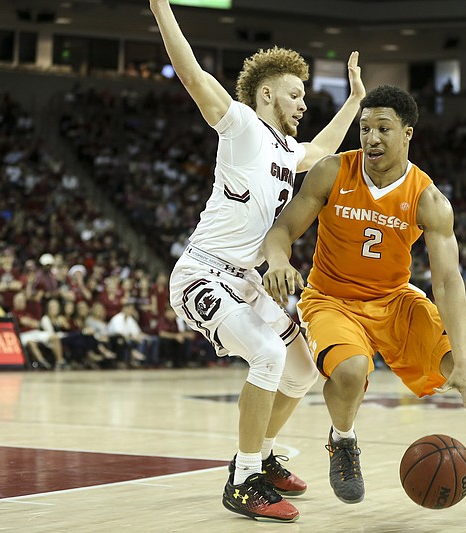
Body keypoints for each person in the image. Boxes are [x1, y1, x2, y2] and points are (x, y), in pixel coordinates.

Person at [262, 85, 466, 528]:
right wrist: (277, 260)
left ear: (407, 133)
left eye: (383, 129)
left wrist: (462, 361)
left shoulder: (428, 199)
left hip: (395, 300)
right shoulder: (331, 172)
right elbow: (282, 231)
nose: (370, 137)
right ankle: (343, 440)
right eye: (365, 127)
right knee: (351, 371)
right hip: (331, 299)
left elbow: (448, 281)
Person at [149, 0, 365, 523]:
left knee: (301, 369)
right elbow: (191, 72)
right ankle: (243, 482)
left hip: (246, 282)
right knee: (269, 353)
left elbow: (321, 152)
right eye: (297, 94)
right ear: (267, 93)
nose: (303, 104)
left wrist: (355, 101)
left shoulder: (288, 150)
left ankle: (261, 457)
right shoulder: (241, 123)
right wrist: (160, 5)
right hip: (203, 272)